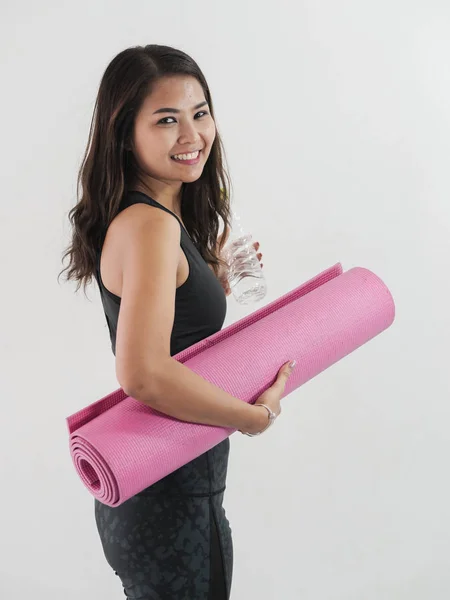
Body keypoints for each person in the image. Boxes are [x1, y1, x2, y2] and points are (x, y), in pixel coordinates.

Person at [59, 44, 296, 600]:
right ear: (125, 132)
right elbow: (141, 373)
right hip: (171, 498)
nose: (192, 135)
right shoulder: (150, 227)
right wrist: (250, 417)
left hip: (158, 491)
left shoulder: (151, 218)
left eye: (200, 113)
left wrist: (209, 278)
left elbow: (169, 333)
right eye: (166, 119)